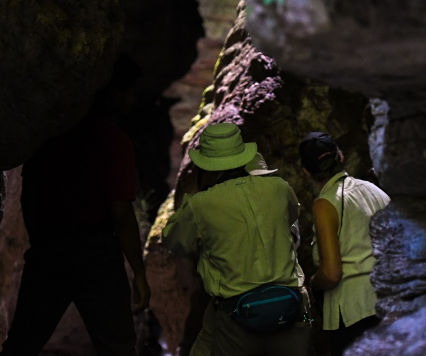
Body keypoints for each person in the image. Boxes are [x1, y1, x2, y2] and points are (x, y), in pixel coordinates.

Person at [0, 54, 151, 356]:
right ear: (115, 94)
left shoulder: (51, 136)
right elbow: (121, 213)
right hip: (96, 253)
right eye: (130, 93)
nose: (132, 101)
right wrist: (139, 273)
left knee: (21, 345)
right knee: (118, 347)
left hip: (49, 249)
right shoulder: (115, 142)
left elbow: (29, 194)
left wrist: (41, 241)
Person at [162, 123, 312, 356]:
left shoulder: (200, 205)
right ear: (244, 156)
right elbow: (292, 217)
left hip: (238, 315)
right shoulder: (279, 188)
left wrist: (192, 200)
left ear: (206, 165)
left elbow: (174, 242)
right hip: (292, 305)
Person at [298, 132, 391, 356]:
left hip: (354, 314)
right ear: (341, 157)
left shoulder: (325, 204)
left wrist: (313, 282)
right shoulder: (376, 192)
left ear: (306, 170)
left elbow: (331, 274)